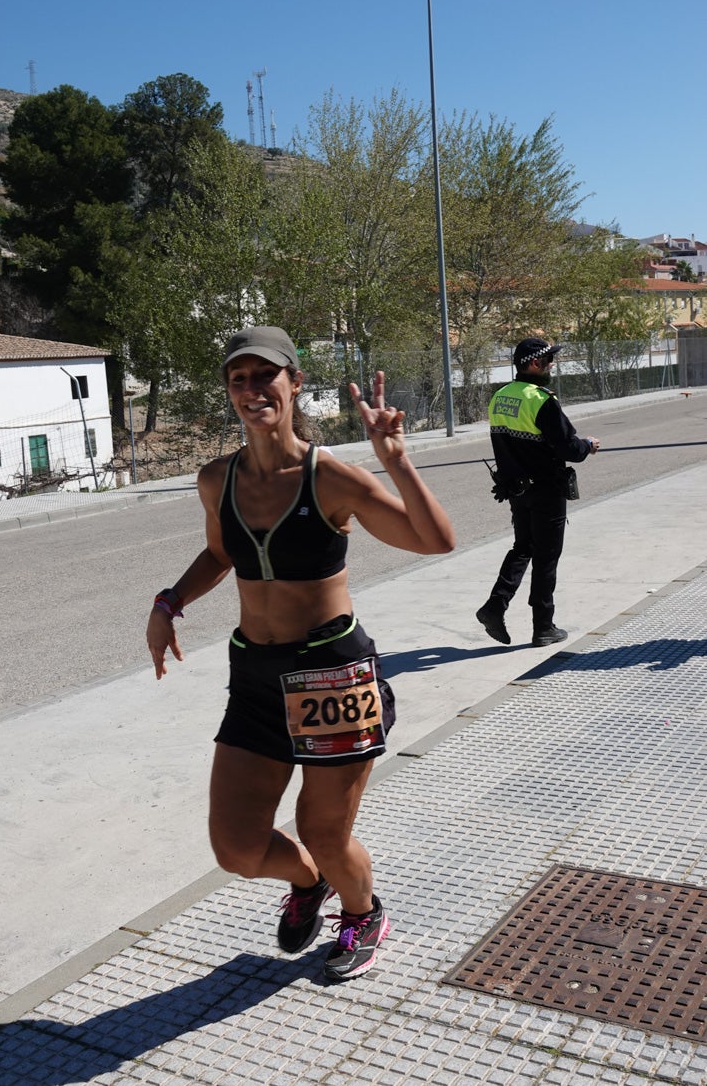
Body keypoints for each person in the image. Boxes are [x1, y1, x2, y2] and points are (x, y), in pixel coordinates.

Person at [146, 325, 455, 982]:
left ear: (294, 384)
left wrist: (395, 460)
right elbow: (223, 555)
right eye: (239, 379)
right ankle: (310, 882)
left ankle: (363, 912)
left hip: (331, 677)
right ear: (228, 391)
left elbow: (434, 541)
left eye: (266, 377)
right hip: (254, 676)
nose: (253, 390)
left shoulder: (332, 478)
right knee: (236, 847)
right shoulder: (215, 480)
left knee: (324, 829)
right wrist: (169, 602)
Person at [476, 337, 600, 648]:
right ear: (534, 363)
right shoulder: (541, 400)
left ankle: (495, 606)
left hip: (515, 489)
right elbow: (568, 447)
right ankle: (543, 626)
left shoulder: (500, 397)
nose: (552, 365)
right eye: (549, 360)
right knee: (546, 558)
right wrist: (587, 445)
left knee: (523, 548)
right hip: (546, 489)